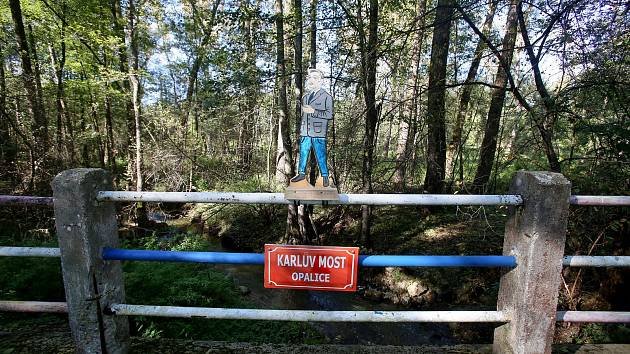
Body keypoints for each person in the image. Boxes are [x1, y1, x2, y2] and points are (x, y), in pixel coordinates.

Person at [290, 69, 334, 187]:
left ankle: (325, 176)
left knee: (321, 155)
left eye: (314, 77)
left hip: (318, 133)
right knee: (303, 154)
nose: (311, 80)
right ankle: (301, 174)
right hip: (305, 132)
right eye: (310, 77)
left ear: (320, 81)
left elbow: (329, 115)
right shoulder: (305, 97)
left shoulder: (327, 97)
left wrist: (314, 111)